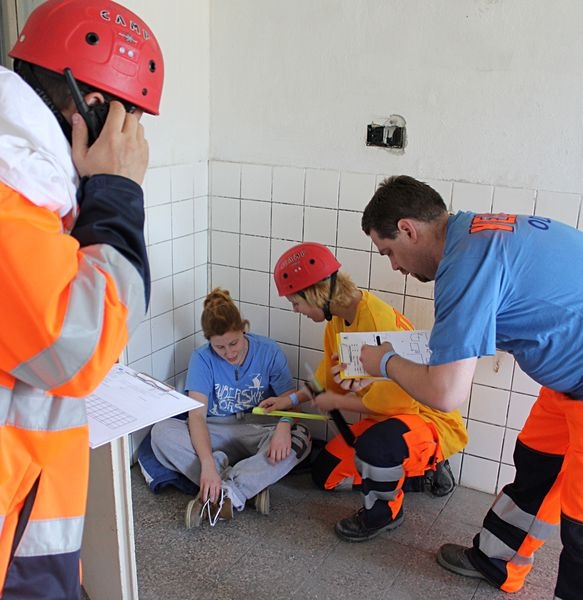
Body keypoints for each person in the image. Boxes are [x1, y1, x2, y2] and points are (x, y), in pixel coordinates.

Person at [0, 0, 164, 597]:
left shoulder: (27, 184)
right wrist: (117, 194)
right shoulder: (12, 204)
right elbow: (80, 350)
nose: (135, 138)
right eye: (130, 119)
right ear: (89, 108)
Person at [357, 174, 583, 599]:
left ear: (409, 229)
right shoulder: (478, 232)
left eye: (389, 252)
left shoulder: (463, 266)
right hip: (569, 385)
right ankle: (496, 561)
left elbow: (445, 394)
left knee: (581, 524)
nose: (395, 268)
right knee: (537, 462)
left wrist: (385, 361)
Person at [271, 242, 467, 542]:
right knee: (326, 474)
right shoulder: (337, 319)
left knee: (375, 448)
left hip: (425, 418)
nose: (296, 311)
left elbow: (396, 402)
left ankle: (384, 513)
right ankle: (412, 477)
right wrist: (292, 399)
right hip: (389, 421)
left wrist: (336, 400)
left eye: (296, 303)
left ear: (314, 294)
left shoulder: (376, 320)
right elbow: (328, 373)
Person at [150, 288, 312, 528]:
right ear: (209, 343)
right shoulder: (202, 359)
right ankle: (242, 487)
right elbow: (196, 417)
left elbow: (290, 398)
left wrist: (284, 427)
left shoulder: (268, 351)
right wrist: (206, 464)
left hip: (258, 427)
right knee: (161, 433)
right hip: (217, 429)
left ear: (243, 329)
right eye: (220, 347)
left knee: (301, 438)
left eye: (234, 343)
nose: (229, 353)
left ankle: (223, 491)